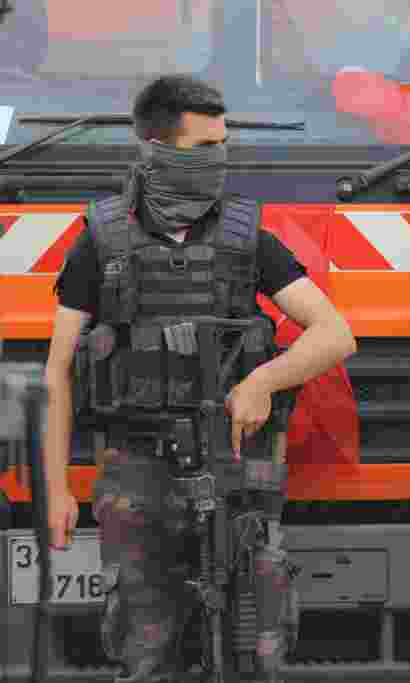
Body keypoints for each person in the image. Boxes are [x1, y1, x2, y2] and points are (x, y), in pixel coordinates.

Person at [42, 74, 356, 683]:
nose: (219, 162)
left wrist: (263, 380)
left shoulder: (246, 239)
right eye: (203, 149)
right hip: (137, 477)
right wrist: (57, 489)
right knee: (146, 655)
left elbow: (334, 334)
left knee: (256, 651)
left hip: (236, 473)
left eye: (223, 147)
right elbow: (57, 372)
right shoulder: (101, 242)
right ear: (157, 150)